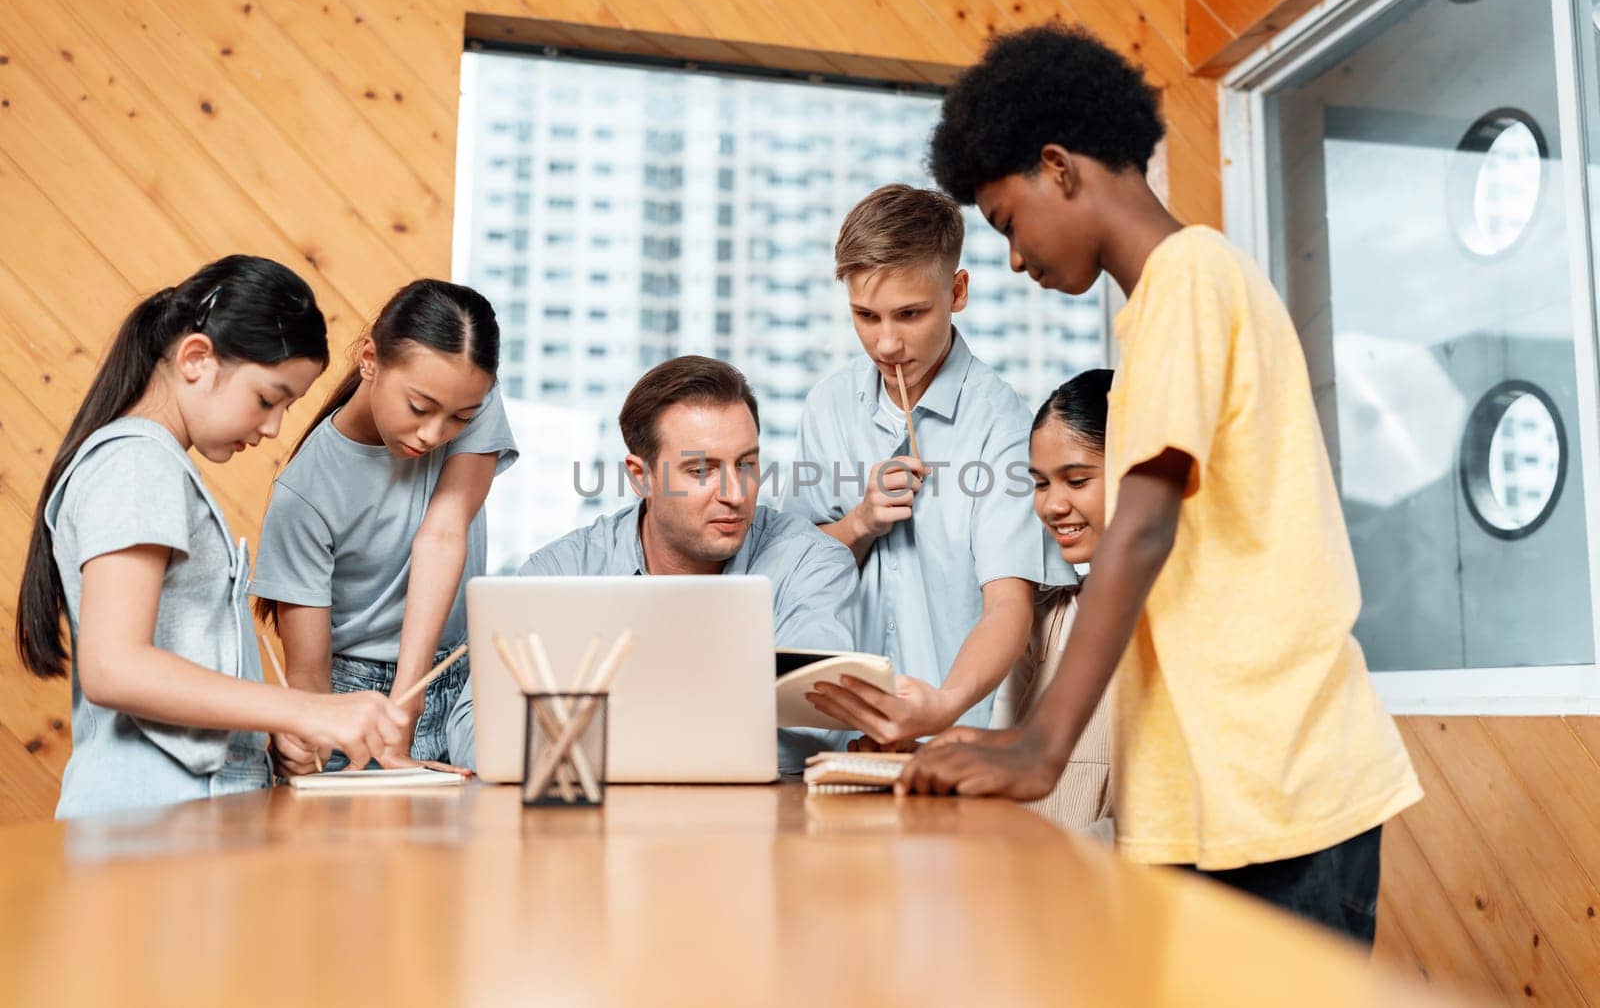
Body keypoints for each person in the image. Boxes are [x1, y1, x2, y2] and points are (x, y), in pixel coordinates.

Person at [899, 23, 1422, 944]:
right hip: (1221, 797)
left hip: (1278, 789)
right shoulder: (1164, 309)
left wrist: (1040, 744)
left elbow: (1140, 528)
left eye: (1007, 223)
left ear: (1058, 167)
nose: (1014, 258)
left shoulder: (1190, 275)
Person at [15, 255, 408, 819]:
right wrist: (302, 711)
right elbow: (114, 667)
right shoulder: (136, 465)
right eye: (268, 399)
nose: (273, 427)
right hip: (149, 829)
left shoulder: (151, 464)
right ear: (197, 358)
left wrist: (268, 732)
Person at [446, 356, 858, 774]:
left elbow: (813, 733)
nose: (735, 493)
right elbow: (471, 732)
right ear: (640, 476)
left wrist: (591, 741)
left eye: (747, 464)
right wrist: (708, 734)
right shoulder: (562, 569)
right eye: (702, 470)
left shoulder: (810, 564)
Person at [786, 184, 1066, 750]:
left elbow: (1009, 608)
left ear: (957, 291)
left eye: (910, 314)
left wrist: (940, 708)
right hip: (830, 748)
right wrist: (860, 522)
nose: (886, 343)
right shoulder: (828, 406)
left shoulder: (1004, 427)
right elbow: (794, 576)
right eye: (866, 316)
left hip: (950, 747)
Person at [252, 280, 517, 772]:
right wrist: (307, 743)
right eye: (419, 408)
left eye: (460, 418)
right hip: (357, 699)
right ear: (370, 359)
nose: (434, 434)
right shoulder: (304, 492)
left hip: (459, 679)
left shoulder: (466, 389)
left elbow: (443, 532)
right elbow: (309, 676)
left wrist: (409, 701)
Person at [988, 370, 1116, 836]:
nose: (1052, 506)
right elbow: (1000, 770)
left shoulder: (1179, 632)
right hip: (1022, 888)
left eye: (1077, 480)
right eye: (1041, 485)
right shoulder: (1045, 617)